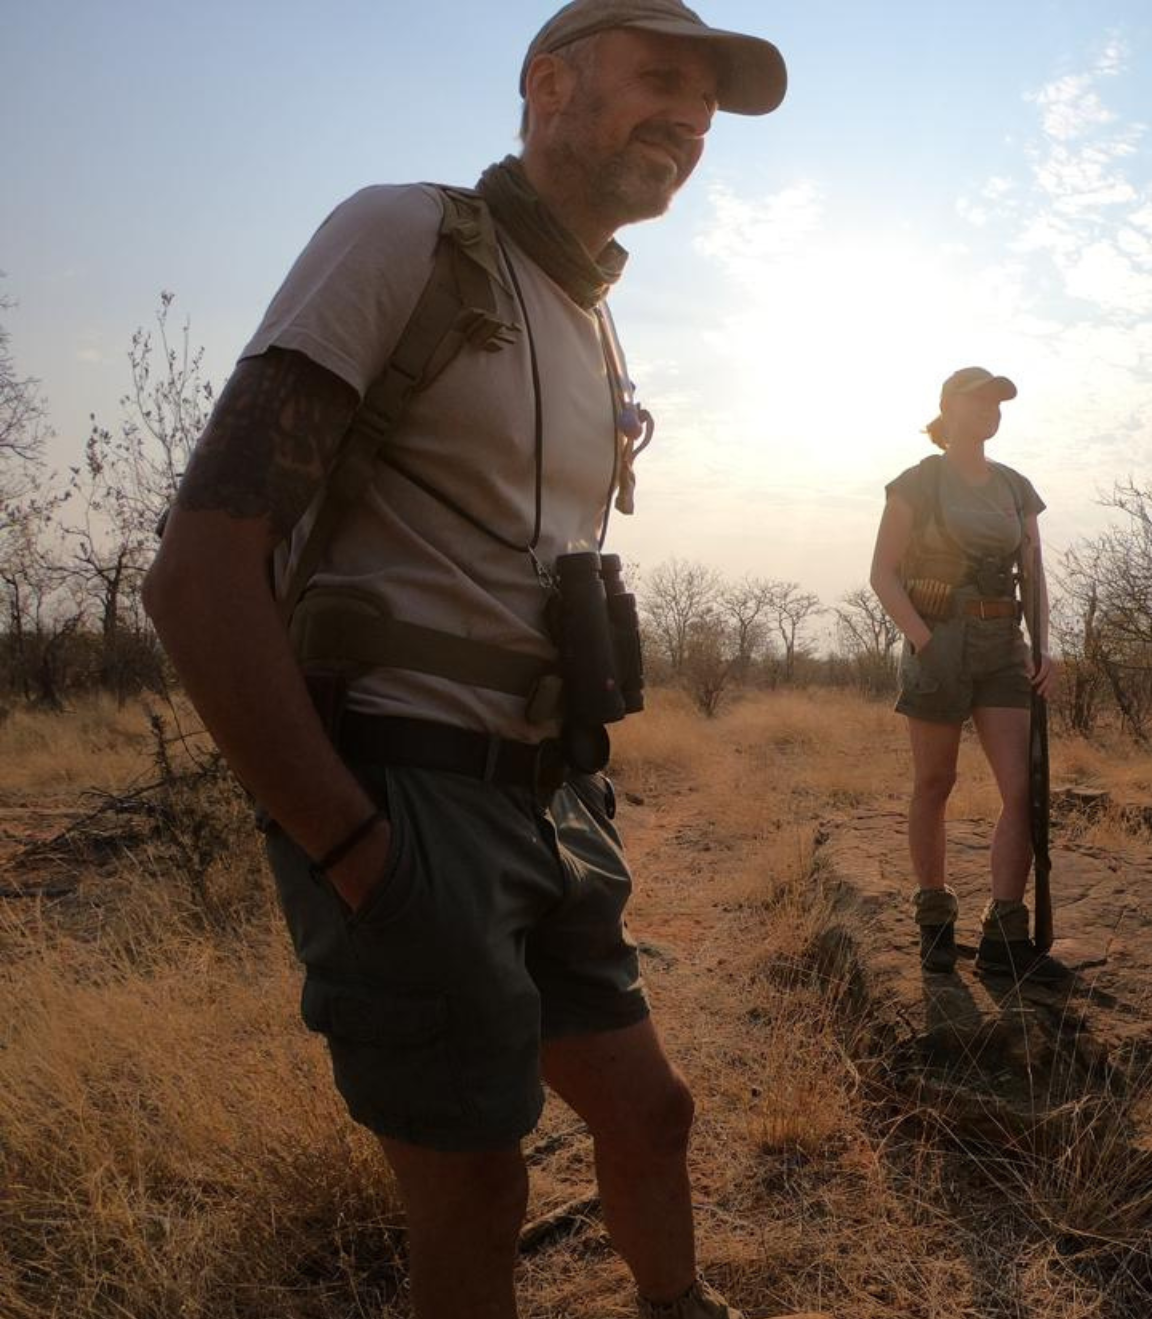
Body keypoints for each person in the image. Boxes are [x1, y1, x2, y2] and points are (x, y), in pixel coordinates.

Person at [142, 4, 786, 1316]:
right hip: (409, 786)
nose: (691, 120)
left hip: (552, 797)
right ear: (547, 82)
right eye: (661, 79)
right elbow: (200, 571)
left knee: (651, 1111)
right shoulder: (406, 237)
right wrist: (350, 846)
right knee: (476, 1189)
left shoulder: (594, 321)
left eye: (707, 107)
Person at [867, 367, 1067, 985]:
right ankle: (934, 921)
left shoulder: (1014, 487)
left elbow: (1033, 572)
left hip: (1004, 642)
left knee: (1023, 789)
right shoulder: (919, 481)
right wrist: (925, 641)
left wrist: (1042, 646)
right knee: (935, 782)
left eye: (997, 403)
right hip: (941, 639)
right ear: (948, 408)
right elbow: (882, 573)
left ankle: (1005, 933)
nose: (990, 411)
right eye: (978, 401)